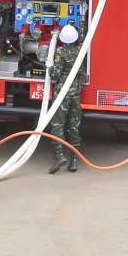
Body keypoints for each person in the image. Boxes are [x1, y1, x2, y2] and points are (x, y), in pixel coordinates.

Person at [46, 24, 87, 175]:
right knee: (73, 126)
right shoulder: (81, 51)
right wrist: (83, 22)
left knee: (57, 124)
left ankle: (58, 156)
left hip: (62, 93)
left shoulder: (61, 53)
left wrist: (50, 66)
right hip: (76, 92)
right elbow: (83, 39)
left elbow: (55, 76)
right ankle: (74, 160)